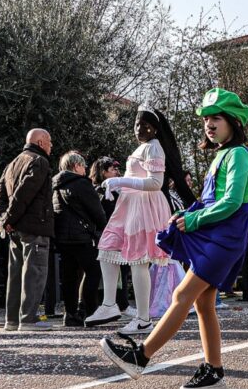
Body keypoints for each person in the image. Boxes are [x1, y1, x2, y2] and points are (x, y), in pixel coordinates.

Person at [100, 88, 248, 389]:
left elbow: (233, 201)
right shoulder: (224, 153)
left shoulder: (237, 154)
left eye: (216, 118)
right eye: (206, 119)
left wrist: (194, 219)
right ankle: (214, 370)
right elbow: (212, 200)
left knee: (183, 294)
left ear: (233, 122)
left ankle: (140, 357)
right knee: (203, 303)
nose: (209, 124)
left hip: (225, 238)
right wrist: (185, 215)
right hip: (220, 236)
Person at [86, 107, 196, 334]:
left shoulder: (155, 147)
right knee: (108, 246)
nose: (139, 129)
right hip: (130, 204)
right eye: (137, 125)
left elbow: (156, 183)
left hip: (145, 206)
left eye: (145, 126)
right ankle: (109, 304)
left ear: (155, 128)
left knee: (138, 260)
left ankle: (143, 318)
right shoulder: (144, 147)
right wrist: (118, 185)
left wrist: (119, 182)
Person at [0, 129, 55, 331]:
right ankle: (28, 319)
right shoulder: (39, 161)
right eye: (49, 142)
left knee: (15, 274)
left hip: (15, 228)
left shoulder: (12, 164)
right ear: (40, 142)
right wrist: (9, 218)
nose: (51, 146)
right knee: (34, 272)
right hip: (34, 226)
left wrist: (5, 219)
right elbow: (24, 194)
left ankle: (12, 320)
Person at [52, 151, 107, 326]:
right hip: (82, 237)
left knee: (69, 276)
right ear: (76, 166)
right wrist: (102, 228)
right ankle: (88, 310)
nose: (85, 169)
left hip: (62, 237)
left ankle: (69, 314)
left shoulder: (55, 185)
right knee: (93, 272)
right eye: (83, 166)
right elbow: (97, 212)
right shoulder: (82, 184)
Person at [89, 156, 131, 316]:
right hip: (107, 236)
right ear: (103, 172)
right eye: (113, 169)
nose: (117, 172)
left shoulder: (117, 190)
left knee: (123, 270)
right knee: (108, 273)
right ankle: (113, 305)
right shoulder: (99, 192)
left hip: (120, 235)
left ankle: (121, 304)